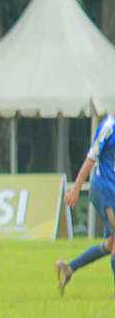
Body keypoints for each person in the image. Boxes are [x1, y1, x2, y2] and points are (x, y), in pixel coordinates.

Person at [55, 114, 115, 297]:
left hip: (111, 189)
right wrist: (76, 189)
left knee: (110, 243)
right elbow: (91, 157)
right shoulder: (109, 127)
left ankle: (69, 268)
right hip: (106, 190)